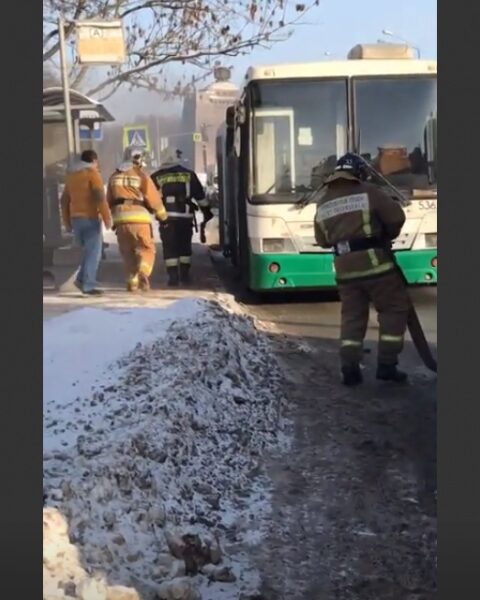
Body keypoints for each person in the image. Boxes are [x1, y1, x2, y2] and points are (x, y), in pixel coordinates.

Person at [314, 152, 410, 386]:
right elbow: (396, 217)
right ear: (357, 173)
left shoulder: (323, 202)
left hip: (345, 270)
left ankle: (349, 368)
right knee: (393, 309)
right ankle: (387, 365)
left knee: (352, 317)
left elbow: (323, 240)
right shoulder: (368, 192)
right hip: (376, 264)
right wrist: (385, 236)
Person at [106, 147, 168, 292]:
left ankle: (132, 283)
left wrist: (110, 218)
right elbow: (153, 199)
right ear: (137, 159)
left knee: (127, 253)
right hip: (139, 218)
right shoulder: (141, 176)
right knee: (146, 249)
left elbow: (108, 200)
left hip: (121, 220)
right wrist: (163, 217)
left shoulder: (113, 176)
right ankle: (143, 273)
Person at [150, 147, 213, 286]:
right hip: (185, 217)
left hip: (166, 217)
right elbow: (200, 196)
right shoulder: (189, 174)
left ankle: (173, 277)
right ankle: (184, 275)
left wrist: (151, 211)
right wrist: (207, 212)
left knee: (169, 247)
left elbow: (150, 197)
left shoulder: (156, 176)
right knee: (184, 247)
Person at [60, 150, 112, 295]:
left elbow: (64, 200)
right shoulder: (92, 174)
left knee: (88, 252)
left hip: (76, 219)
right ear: (94, 161)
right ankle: (88, 285)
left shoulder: (71, 176)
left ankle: (81, 280)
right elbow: (99, 197)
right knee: (94, 253)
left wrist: (66, 221)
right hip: (90, 218)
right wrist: (107, 218)